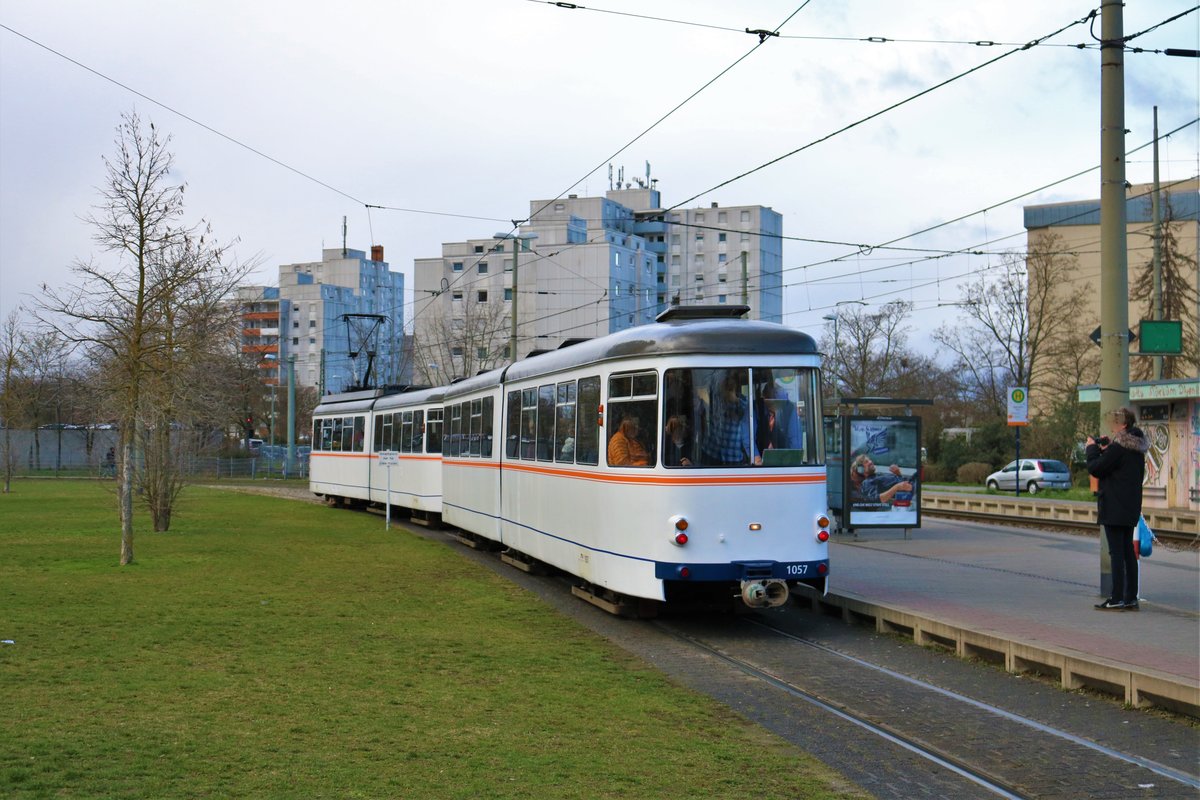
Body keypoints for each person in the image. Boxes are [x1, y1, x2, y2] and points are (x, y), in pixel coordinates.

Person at [1086, 406, 1149, 611]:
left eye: (1114, 422)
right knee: (1128, 552)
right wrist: (1107, 449)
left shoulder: (1119, 448)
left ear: (1123, 424)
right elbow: (1117, 467)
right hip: (1130, 506)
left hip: (1114, 506)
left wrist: (1091, 449)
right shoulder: (1135, 447)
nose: (1111, 426)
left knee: (1117, 553)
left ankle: (1116, 598)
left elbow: (1096, 468)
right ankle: (1130, 597)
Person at [700, 370, 752, 466]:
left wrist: (733, 398)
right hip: (711, 453)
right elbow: (707, 382)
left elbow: (744, 421)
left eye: (731, 386)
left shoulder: (744, 404)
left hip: (732, 457)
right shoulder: (714, 400)